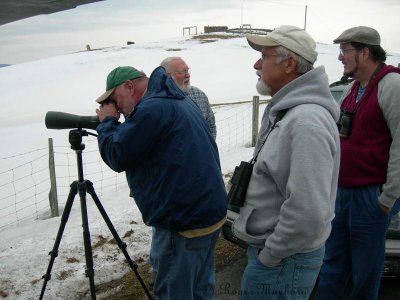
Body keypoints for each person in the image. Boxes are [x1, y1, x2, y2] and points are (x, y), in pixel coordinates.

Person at [95, 65, 227, 299]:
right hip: (208, 214)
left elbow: (118, 155)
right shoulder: (176, 99)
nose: (115, 107)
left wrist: (107, 122)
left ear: (128, 87)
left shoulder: (152, 108)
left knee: (174, 291)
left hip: (183, 223)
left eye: (114, 99)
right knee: (200, 288)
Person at [232, 25, 341, 299]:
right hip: (278, 255)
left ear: (289, 64)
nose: (256, 64)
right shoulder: (290, 112)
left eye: (265, 56)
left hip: (282, 261)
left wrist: (271, 255)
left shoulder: (305, 122)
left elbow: (309, 212)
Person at [316, 26, 400, 300]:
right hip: (342, 192)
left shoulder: (392, 86)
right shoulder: (354, 87)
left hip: (369, 195)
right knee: (332, 262)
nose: (340, 57)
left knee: (365, 271)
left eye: (345, 50)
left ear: (365, 52)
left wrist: (386, 199)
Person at [160, 57, 217, 139]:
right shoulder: (157, 100)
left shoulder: (199, 94)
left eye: (187, 70)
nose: (188, 75)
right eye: (182, 72)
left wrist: (208, 147)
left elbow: (210, 125)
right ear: (167, 75)